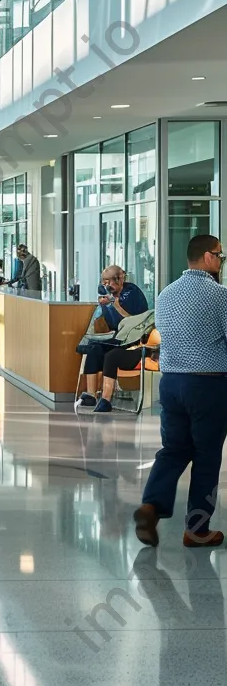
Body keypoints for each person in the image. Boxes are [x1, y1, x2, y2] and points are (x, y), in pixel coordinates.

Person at [134, 234, 227, 548]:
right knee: (206, 455)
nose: (221, 261)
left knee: (173, 449)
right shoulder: (220, 296)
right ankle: (197, 529)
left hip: (171, 384)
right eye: (220, 255)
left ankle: (151, 506)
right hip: (208, 384)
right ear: (207, 257)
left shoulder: (166, 294)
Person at [77, 265, 149, 409]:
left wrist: (114, 304)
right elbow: (110, 323)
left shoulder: (132, 293)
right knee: (94, 349)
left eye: (108, 281)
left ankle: (106, 399)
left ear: (119, 279)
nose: (106, 285)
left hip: (134, 340)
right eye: (103, 282)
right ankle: (91, 395)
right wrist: (105, 307)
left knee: (111, 355)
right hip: (117, 338)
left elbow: (135, 321)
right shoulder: (108, 296)